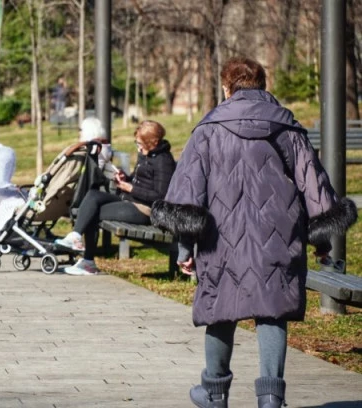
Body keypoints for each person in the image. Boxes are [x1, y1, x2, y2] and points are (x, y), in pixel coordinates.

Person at [150, 57, 358, 408]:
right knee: (272, 308)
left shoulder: (207, 130)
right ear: (263, 85)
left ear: (227, 88)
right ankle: (271, 398)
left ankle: (214, 392)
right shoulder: (287, 128)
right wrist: (322, 242)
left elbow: (188, 194)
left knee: (219, 308)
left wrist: (185, 249)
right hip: (278, 233)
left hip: (220, 237)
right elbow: (314, 189)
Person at [55, 120, 176, 275]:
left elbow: (160, 196)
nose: (137, 146)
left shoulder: (163, 161)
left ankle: (88, 262)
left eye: (140, 143)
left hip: (143, 209)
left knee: (92, 212)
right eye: (136, 142)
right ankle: (76, 238)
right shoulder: (145, 154)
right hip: (131, 200)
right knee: (93, 195)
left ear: (153, 142)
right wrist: (125, 178)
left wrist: (132, 188)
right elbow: (139, 180)